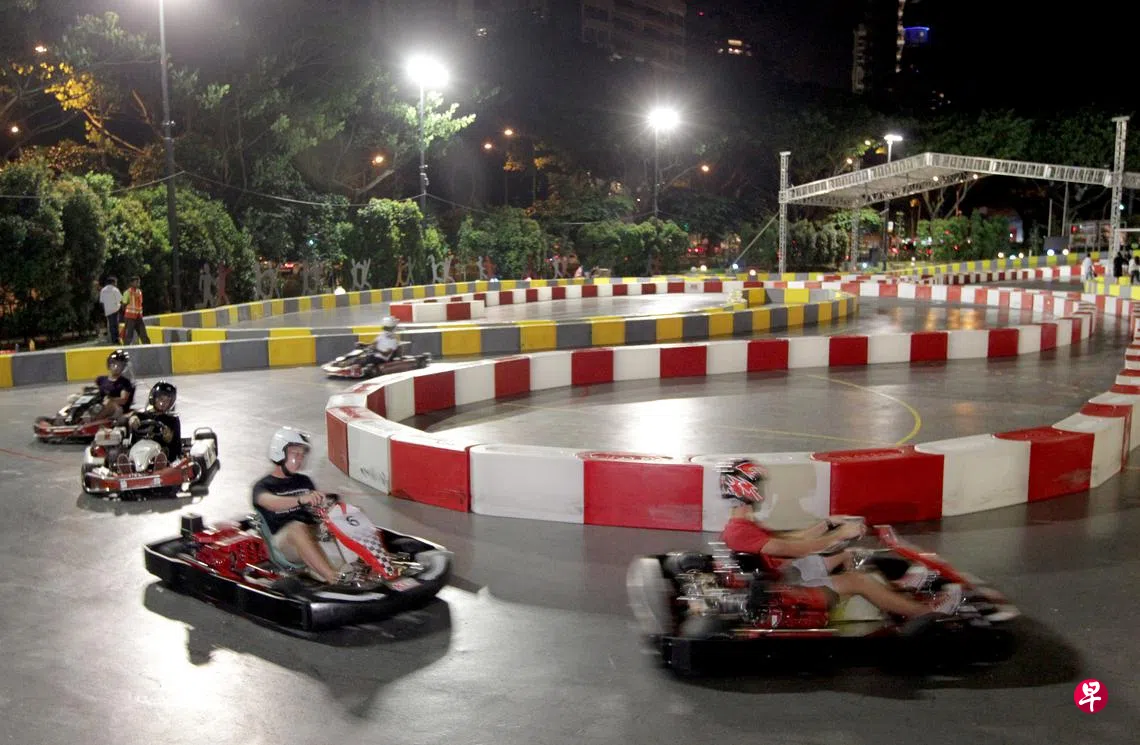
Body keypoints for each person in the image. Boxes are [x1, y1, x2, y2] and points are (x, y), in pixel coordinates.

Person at [718, 458, 962, 620]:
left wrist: (827, 524)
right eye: (757, 484)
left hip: (784, 575)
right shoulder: (740, 531)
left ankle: (898, 591)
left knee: (849, 554)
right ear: (744, 488)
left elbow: (788, 538)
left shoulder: (741, 525)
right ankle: (924, 613)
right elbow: (795, 548)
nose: (762, 490)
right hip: (782, 590)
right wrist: (840, 534)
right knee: (858, 580)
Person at [252, 427, 378, 590]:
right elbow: (269, 502)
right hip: (284, 541)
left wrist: (327, 505)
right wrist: (300, 499)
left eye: (302, 455)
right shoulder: (263, 486)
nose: (299, 459)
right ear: (279, 453)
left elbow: (316, 508)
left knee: (351, 514)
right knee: (297, 528)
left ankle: (371, 565)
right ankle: (333, 578)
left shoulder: (303, 481)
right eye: (295, 454)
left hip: (310, 531)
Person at [127, 381, 182, 463]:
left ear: (171, 403)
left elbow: (176, 446)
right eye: (160, 399)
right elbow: (129, 421)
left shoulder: (172, 420)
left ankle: (160, 463)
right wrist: (132, 420)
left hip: (160, 451)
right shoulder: (140, 415)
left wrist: (169, 438)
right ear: (153, 398)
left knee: (162, 452)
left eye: (167, 400)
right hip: (139, 448)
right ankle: (128, 462)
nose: (163, 403)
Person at [88, 349, 136, 422]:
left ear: (123, 367)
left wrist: (110, 399)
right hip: (100, 406)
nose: (116, 367)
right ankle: (73, 419)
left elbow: (123, 400)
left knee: (109, 403)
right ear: (109, 364)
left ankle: (92, 421)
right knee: (74, 398)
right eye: (114, 364)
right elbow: (94, 391)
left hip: (118, 409)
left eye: (119, 365)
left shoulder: (125, 382)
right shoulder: (100, 379)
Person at [122, 276, 150, 345]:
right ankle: (126, 347)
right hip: (130, 317)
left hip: (138, 316)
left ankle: (147, 347)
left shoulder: (139, 292)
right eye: (136, 282)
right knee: (129, 335)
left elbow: (140, 304)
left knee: (143, 333)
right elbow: (123, 304)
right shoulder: (127, 292)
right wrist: (126, 316)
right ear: (131, 283)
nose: (138, 283)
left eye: (139, 282)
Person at [99, 276, 123, 344]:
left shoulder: (103, 290)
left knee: (111, 325)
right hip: (115, 309)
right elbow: (120, 299)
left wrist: (105, 310)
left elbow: (102, 302)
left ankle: (114, 339)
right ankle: (117, 339)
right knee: (116, 325)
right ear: (113, 282)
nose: (116, 284)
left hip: (108, 310)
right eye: (116, 282)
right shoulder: (115, 289)